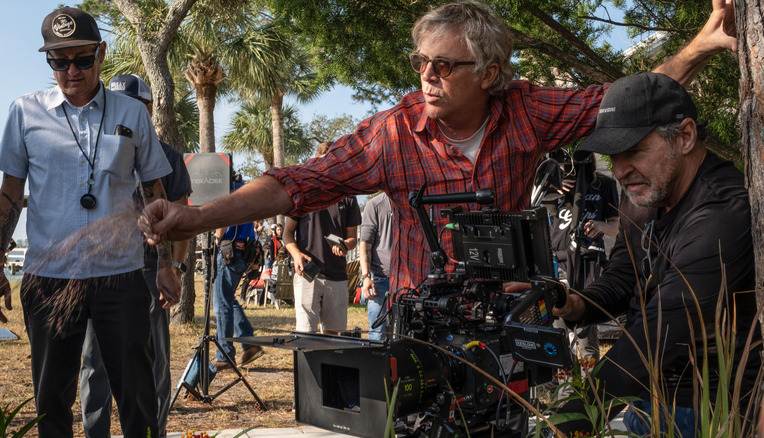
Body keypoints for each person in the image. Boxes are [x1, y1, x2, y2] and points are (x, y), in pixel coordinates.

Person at [139, 2, 735, 296]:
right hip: (416, 326)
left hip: (507, 319)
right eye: (421, 61)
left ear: (490, 73)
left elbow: (626, 103)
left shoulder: (527, 109)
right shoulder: (390, 132)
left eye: (444, 65)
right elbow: (297, 181)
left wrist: (703, 47)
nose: (427, 75)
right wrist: (197, 216)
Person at [0, 7, 180, 437]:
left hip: (121, 276)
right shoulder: (24, 112)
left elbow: (156, 195)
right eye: (58, 61)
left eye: (82, 59)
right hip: (49, 277)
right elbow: (10, 195)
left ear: (101, 53)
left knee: (137, 396)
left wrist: (165, 264)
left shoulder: (132, 114)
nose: (70, 70)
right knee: (50, 399)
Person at [550, 72, 761, 436]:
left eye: (633, 150)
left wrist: (570, 422)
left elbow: (660, 334)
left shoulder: (723, 213)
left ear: (685, 136)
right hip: (646, 398)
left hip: (709, 411)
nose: (619, 170)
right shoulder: (648, 192)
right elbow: (622, 275)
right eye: (612, 156)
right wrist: (576, 304)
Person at [79, 74, 192, 438]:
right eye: (119, 100)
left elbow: (181, 218)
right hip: (101, 272)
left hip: (149, 274)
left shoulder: (170, 156)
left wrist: (172, 267)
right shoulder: (93, 150)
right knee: (93, 363)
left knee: (152, 362)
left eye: (136, 103)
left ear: (148, 109)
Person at [538, 151, 619, 363]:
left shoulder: (604, 185)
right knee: (559, 329)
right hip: (558, 263)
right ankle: (565, 386)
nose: (567, 172)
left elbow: (617, 226)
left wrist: (601, 226)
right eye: (562, 167)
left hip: (589, 262)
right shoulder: (547, 190)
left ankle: (590, 387)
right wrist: (551, 186)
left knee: (585, 327)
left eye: (570, 167)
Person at [283, 143, 361, 334]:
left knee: (333, 338)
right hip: (307, 273)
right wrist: (296, 255)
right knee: (306, 334)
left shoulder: (348, 197)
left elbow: (353, 238)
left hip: (337, 276)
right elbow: (287, 233)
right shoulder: (303, 193)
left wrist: (345, 245)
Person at [213, 176, 264, 370]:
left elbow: (224, 214)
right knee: (226, 299)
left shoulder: (226, 186)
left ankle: (224, 352)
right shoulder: (246, 188)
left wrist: (218, 237)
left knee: (223, 302)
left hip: (230, 250)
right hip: (244, 250)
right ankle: (248, 343)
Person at [359, 192, 393, 341]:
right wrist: (366, 277)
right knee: (378, 335)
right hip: (380, 280)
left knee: (406, 334)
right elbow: (365, 243)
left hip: (409, 281)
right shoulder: (375, 204)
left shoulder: (410, 202)